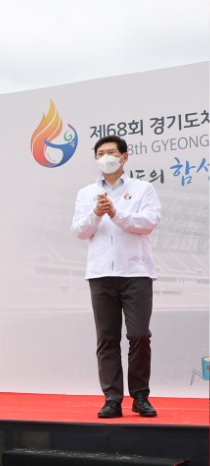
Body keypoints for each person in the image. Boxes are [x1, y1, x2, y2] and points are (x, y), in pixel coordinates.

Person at [71, 135, 161, 419]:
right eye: (100, 153)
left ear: (124, 157)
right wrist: (96, 215)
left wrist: (116, 212)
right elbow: (79, 231)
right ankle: (112, 398)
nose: (106, 157)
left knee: (138, 335)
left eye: (111, 152)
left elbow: (148, 223)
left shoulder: (143, 189)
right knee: (107, 339)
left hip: (136, 272)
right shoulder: (86, 194)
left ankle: (140, 396)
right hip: (100, 275)